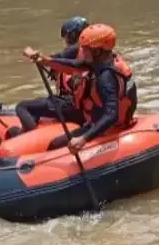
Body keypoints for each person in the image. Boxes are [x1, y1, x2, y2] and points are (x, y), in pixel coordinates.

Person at [25, 23, 137, 152]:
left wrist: (84, 138)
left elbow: (111, 115)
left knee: (55, 145)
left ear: (98, 50)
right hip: (96, 120)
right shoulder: (101, 62)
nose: (82, 51)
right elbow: (73, 65)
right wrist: (44, 60)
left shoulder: (106, 77)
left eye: (86, 48)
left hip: (108, 128)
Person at [9, 16, 90, 138]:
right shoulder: (87, 51)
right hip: (79, 105)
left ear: (73, 35)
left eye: (67, 36)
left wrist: (34, 55)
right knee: (38, 103)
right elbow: (54, 58)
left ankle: (31, 138)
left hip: (71, 106)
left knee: (22, 106)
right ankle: (25, 132)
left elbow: (53, 59)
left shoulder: (74, 49)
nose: (66, 40)